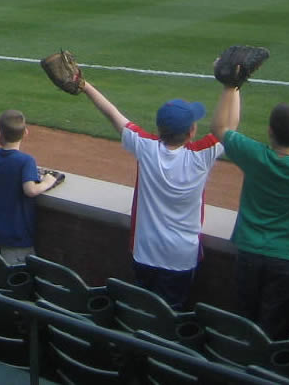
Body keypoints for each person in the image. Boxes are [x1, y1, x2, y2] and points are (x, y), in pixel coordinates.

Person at [79, 76, 222, 309]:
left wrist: (85, 86)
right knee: (170, 316)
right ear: (192, 131)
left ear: (158, 128)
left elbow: (112, 113)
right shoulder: (201, 155)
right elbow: (227, 127)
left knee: (142, 311)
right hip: (181, 258)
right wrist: (232, 87)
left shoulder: (145, 147)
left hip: (144, 252)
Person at [214, 72, 289, 340]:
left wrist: (231, 86)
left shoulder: (255, 156)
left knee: (245, 320)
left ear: (270, 131)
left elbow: (219, 129)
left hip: (249, 251)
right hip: (287, 258)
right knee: (273, 328)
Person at [0, 110, 64, 266]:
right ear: (25, 133)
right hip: (16, 237)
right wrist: (47, 182)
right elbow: (30, 190)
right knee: (14, 281)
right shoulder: (26, 161)